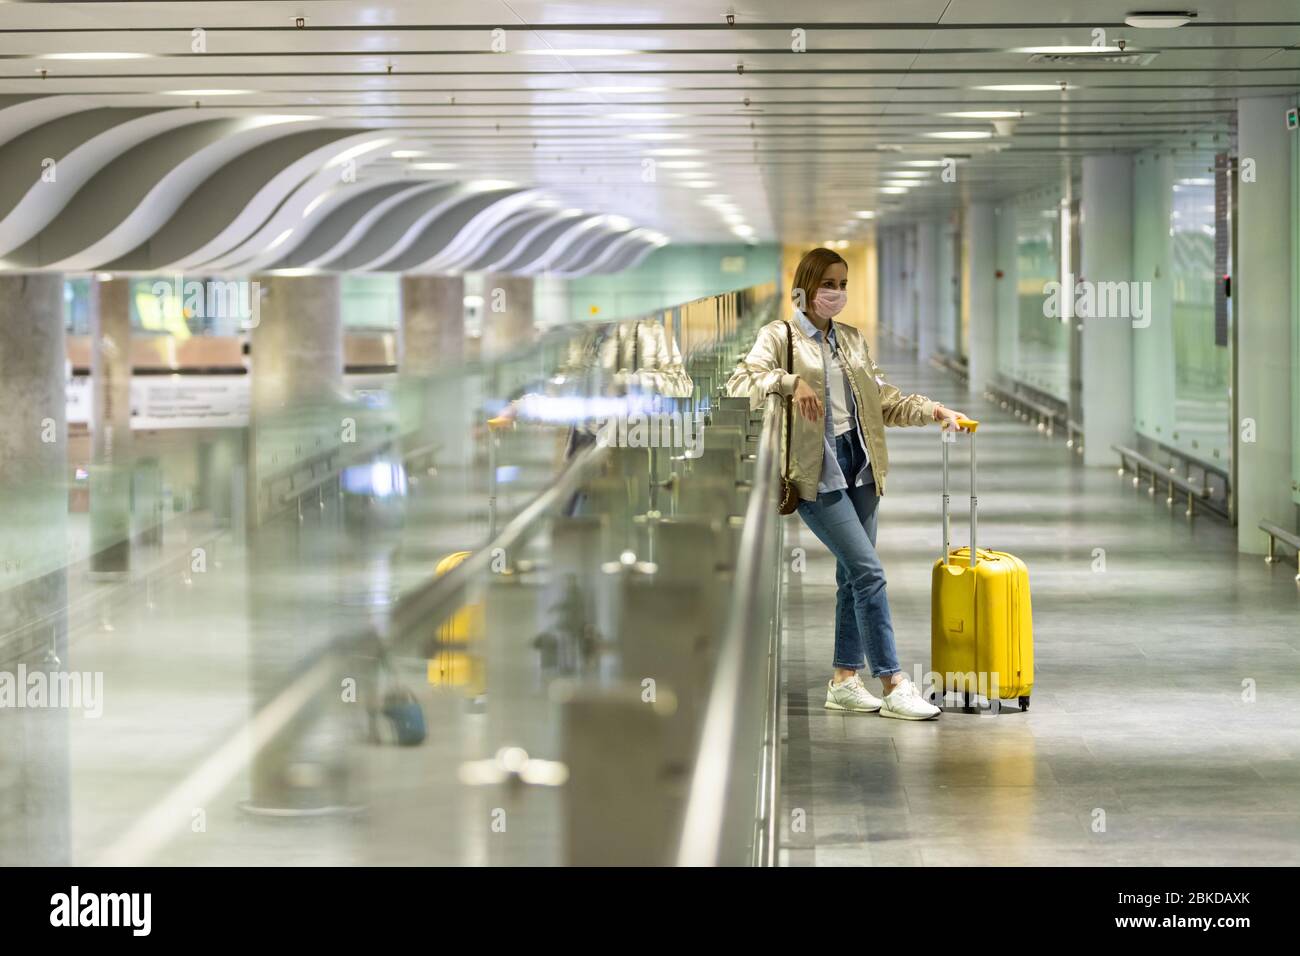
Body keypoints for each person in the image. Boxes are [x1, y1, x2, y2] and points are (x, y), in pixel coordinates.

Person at [727, 247, 968, 720]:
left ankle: (843, 678)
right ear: (804, 287)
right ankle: (893, 680)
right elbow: (741, 381)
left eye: (843, 285)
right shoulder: (781, 336)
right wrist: (789, 381)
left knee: (850, 577)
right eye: (827, 284)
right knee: (869, 571)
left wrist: (935, 410)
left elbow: (884, 401)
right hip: (815, 473)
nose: (836, 294)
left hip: (860, 467)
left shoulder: (851, 340)